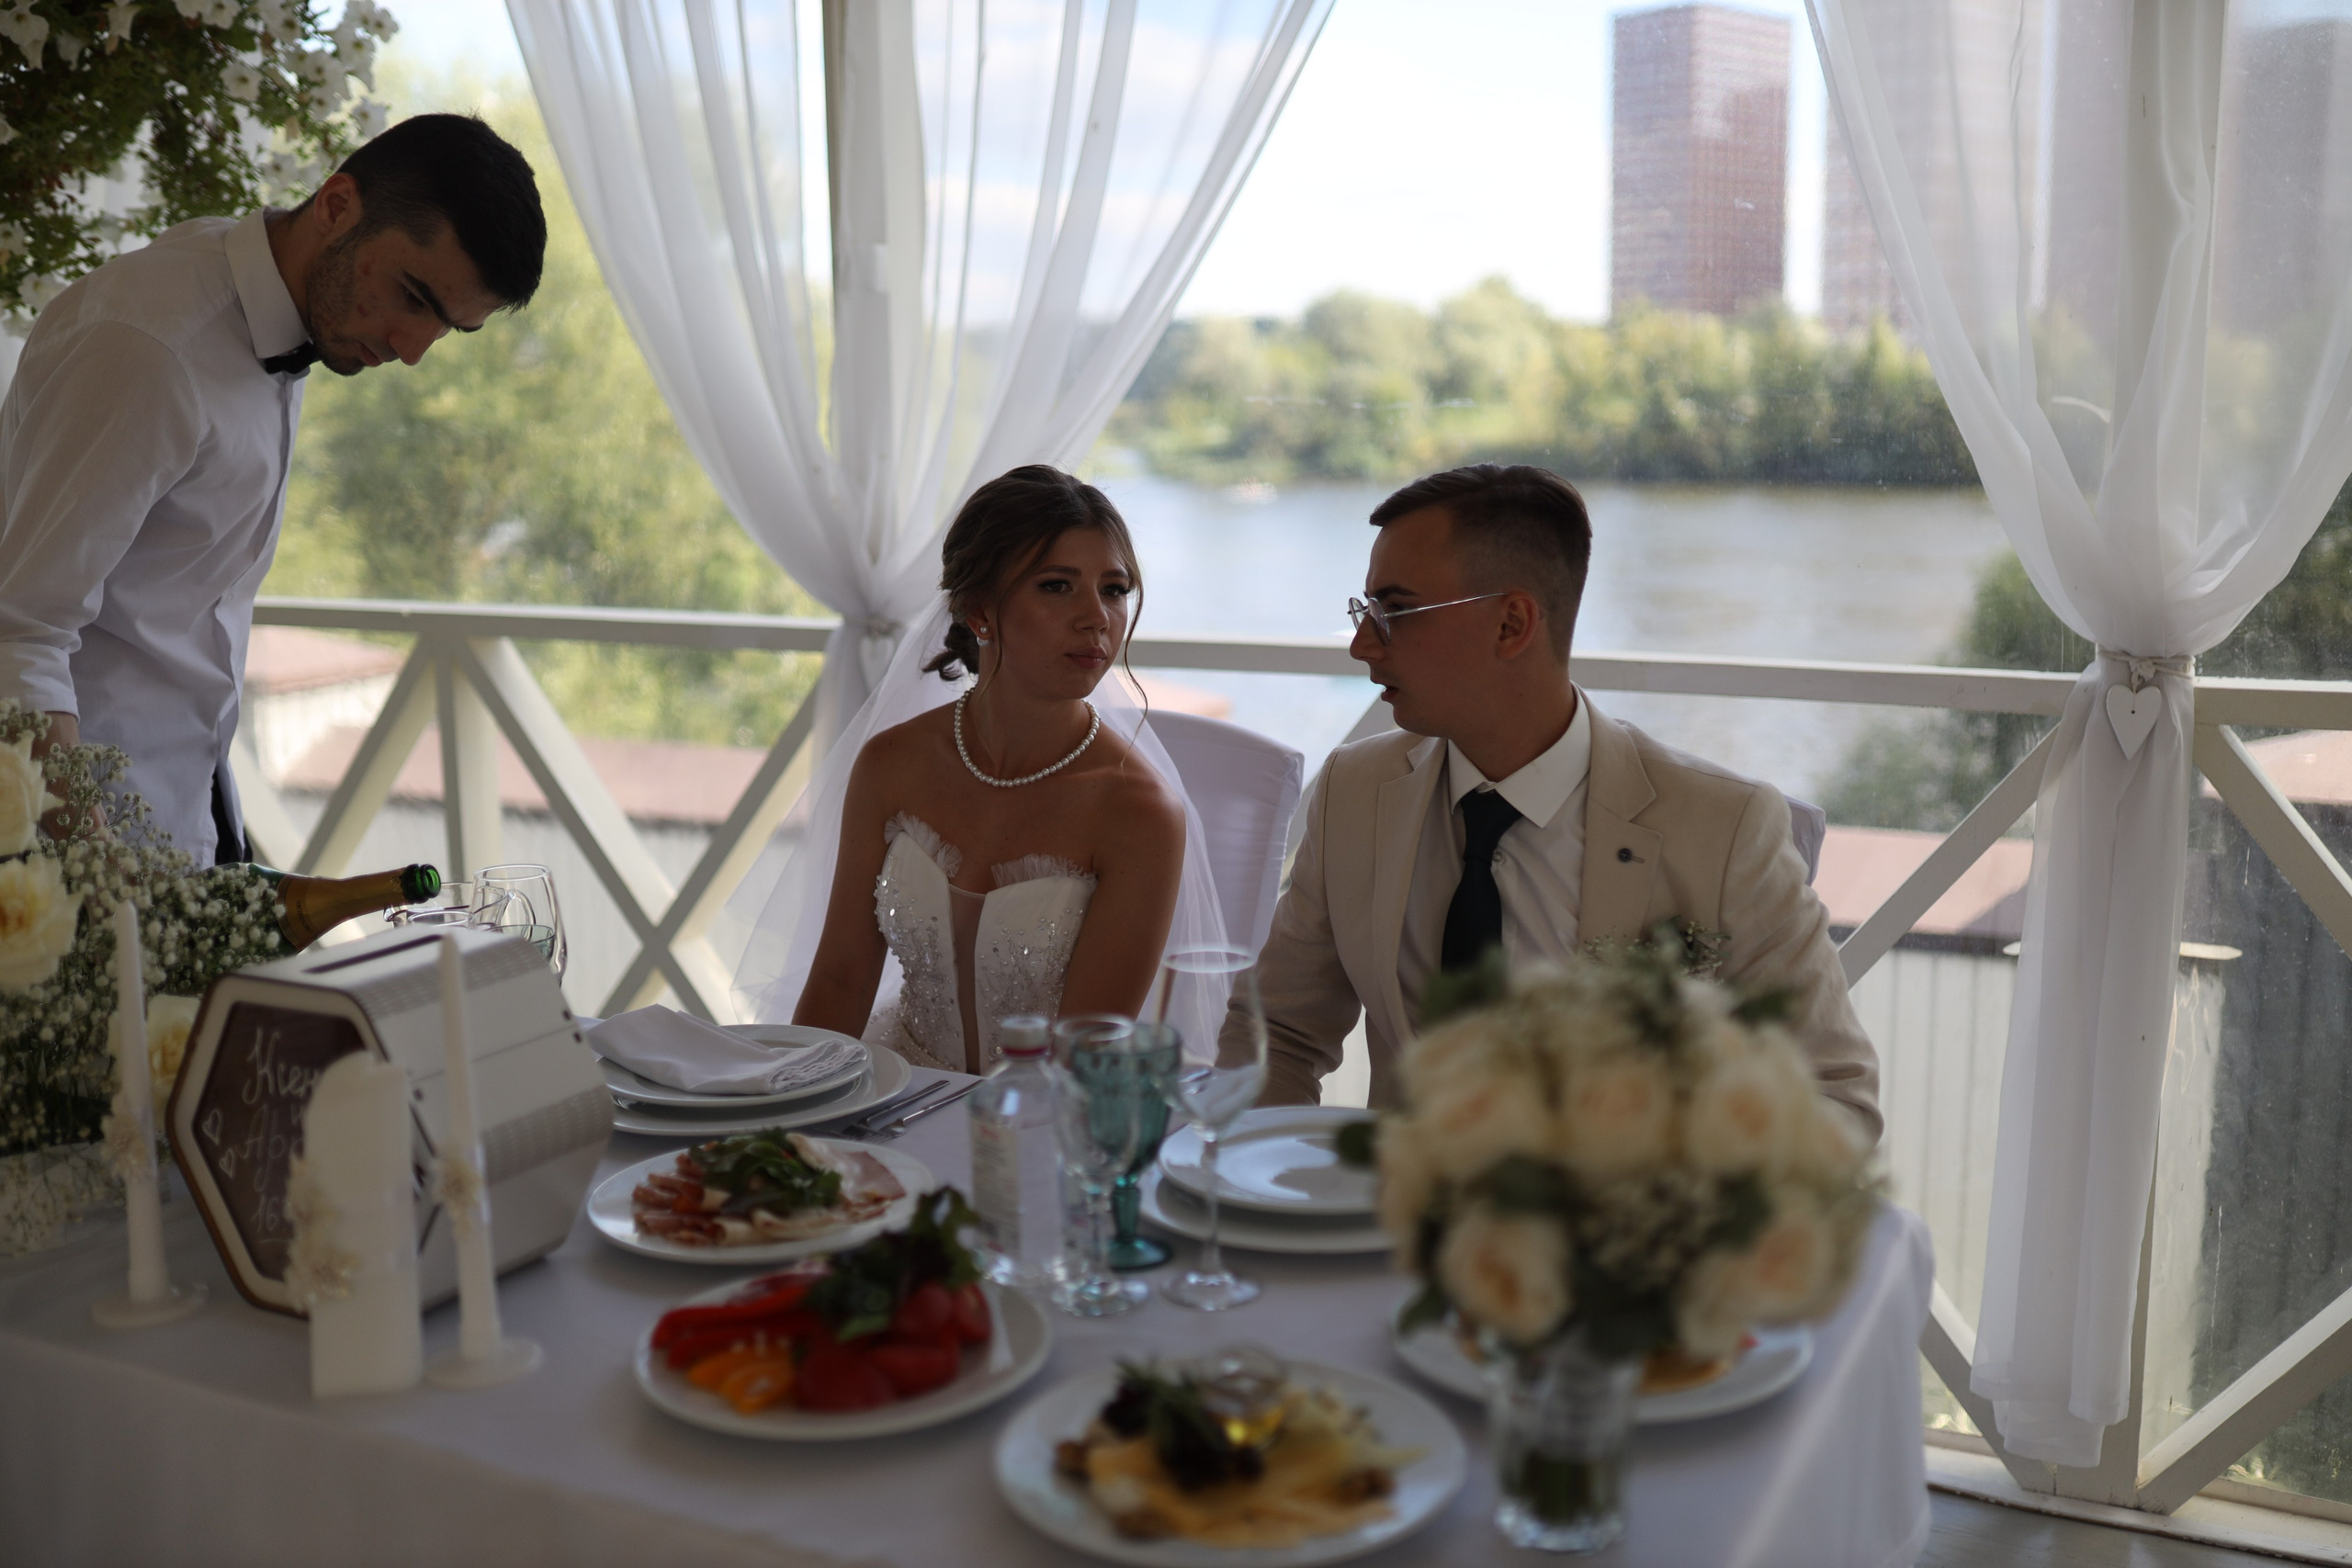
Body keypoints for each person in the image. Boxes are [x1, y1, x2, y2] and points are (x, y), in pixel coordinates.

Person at [1229, 463, 1883, 1144]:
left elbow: (1836, 1101)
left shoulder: (1720, 830)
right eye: (1366, 612)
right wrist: (1267, 1189)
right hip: (1388, 1232)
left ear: (1512, 624)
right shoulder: (1354, 792)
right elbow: (1276, 1029)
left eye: (1396, 612)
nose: (1364, 645)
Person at [0, 113, 546, 863]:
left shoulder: (277, 307)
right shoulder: (153, 345)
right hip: (67, 859)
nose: (413, 350)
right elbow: (19, 633)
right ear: (336, 206)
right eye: (414, 296)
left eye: (450, 327)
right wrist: (101, 885)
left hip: (186, 821)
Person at [756, 465, 1229, 1074]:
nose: (1097, 618)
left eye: (1114, 589)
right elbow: (842, 980)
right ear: (978, 610)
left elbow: (1078, 1062)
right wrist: (789, 1138)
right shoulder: (891, 765)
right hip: (889, 1094)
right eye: (1059, 586)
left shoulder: (1138, 811)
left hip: (1043, 1126)